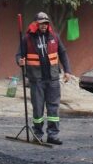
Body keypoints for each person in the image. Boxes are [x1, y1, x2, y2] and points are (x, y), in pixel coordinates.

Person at [17, 12, 72, 145]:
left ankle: (53, 135)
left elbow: (63, 53)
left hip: (53, 79)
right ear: (36, 24)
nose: (44, 25)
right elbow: (19, 55)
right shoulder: (27, 38)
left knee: (53, 108)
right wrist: (20, 61)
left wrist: (67, 71)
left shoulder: (54, 36)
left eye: (46, 23)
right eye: (41, 23)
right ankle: (38, 134)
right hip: (36, 80)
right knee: (38, 108)